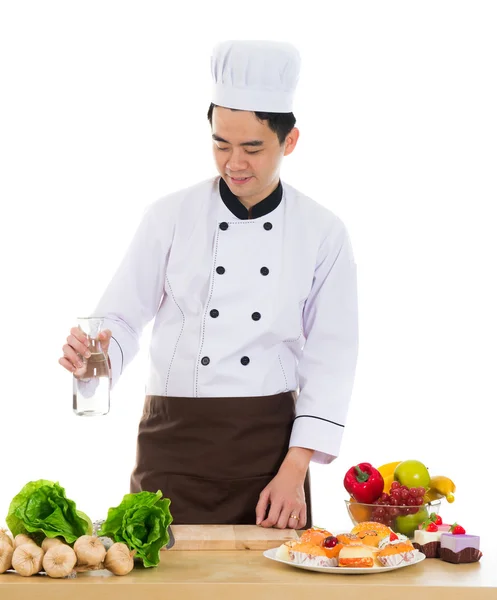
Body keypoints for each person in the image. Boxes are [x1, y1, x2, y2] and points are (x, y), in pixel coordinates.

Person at [59, 40, 359, 530]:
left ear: (290, 141)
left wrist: (295, 469)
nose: (234, 163)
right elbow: (120, 319)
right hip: (171, 444)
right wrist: (93, 360)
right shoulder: (169, 216)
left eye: (252, 147)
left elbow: (332, 358)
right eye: (221, 144)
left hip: (269, 455)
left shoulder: (322, 232)